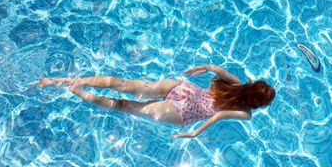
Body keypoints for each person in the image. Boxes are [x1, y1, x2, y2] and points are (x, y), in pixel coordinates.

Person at [39, 65, 276, 138]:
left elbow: (215, 68)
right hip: (180, 112)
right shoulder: (246, 113)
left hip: (184, 89)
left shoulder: (235, 84)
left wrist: (201, 68)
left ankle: (54, 80)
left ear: (252, 86)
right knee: (123, 105)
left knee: (122, 83)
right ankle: (80, 92)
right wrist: (193, 134)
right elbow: (217, 116)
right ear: (257, 103)